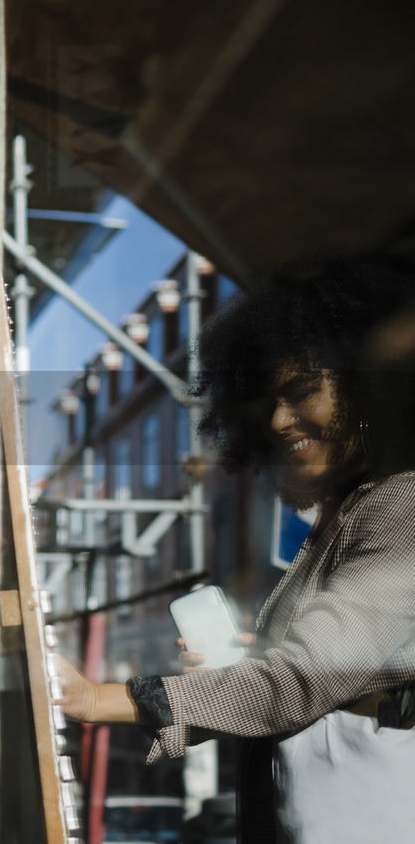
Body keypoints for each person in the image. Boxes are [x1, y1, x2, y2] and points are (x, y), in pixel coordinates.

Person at [59, 253, 415, 842]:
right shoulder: (349, 512)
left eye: (301, 392)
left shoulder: (401, 504)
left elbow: (299, 681)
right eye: (266, 402)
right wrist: (254, 665)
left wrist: (97, 698)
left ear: (369, 387)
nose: (278, 420)